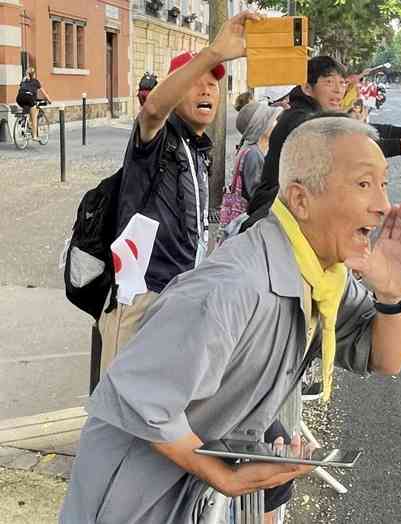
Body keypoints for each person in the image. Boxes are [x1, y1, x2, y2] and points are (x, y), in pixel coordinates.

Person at [59, 115, 401, 524]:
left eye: (384, 183)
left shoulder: (325, 278)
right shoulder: (230, 287)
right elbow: (140, 399)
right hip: (132, 494)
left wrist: (391, 295)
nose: (383, 204)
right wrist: (224, 476)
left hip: (191, 490)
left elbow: (383, 357)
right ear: (300, 200)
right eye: (363, 184)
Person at [95, 13, 257, 377]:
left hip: (181, 298)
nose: (205, 90)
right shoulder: (158, 137)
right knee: (121, 418)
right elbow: (153, 108)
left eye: (213, 85)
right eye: (195, 83)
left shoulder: (199, 147)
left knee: (162, 410)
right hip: (141, 299)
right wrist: (213, 53)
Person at [241, 56, 401, 232]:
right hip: (277, 217)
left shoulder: (315, 113)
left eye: (343, 83)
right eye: (329, 82)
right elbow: (350, 146)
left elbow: (358, 128)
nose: (338, 90)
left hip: (298, 211)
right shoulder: (301, 119)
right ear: (308, 87)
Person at [234, 101, 283, 200]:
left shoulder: (260, 150)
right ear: (261, 128)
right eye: (272, 121)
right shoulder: (253, 154)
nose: (277, 123)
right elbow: (256, 194)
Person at [15, 67, 51, 140]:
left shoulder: (23, 81)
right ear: (34, 74)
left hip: (19, 98)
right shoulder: (36, 81)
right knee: (34, 116)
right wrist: (49, 100)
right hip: (29, 98)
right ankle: (34, 136)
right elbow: (44, 93)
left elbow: (22, 89)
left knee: (26, 108)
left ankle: (24, 121)